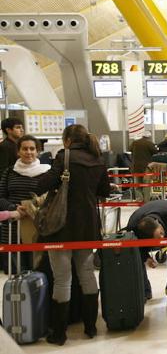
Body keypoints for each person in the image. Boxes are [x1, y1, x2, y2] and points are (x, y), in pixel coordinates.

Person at [33, 124, 110, 345]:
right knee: (86, 273)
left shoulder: (64, 156)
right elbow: (104, 190)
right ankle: (91, 327)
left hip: (62, 226)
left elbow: (45, 183)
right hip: (87, 226)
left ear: (67, 139)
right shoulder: (97, 158)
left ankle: (59, 333)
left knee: (62, 279)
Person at [0, 135, 51, 271]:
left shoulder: (47, 172)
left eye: (32, 149)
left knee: (39, 270)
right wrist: (13, 208)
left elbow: (52, 197)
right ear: (18, 151)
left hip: (38, 225)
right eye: (25, 149)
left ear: (37, 151)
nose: (28, 152)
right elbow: (1, 197)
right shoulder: (10, 172)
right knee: (16, 271)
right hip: (13, 226)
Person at [125, 200, 167, 302]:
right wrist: (146, 257)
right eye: (158, 240)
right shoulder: (133, 226)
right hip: (146, 231)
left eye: (162, 234)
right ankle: (144, 292)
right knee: (136, 258)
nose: (163, 239)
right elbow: (137, 247)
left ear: (158, 224)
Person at [129, 132, 158, 202]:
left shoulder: (135, 143)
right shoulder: (149, 143)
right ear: (149, 137)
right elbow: (155, 151)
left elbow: (130, 149)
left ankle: (139, 199)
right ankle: (146, 200)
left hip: (135, 167)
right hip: (146, 167)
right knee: (146, 185)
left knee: (137, 185)